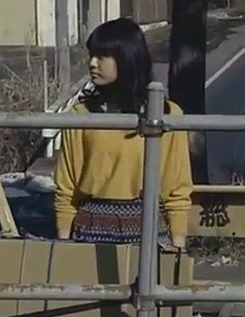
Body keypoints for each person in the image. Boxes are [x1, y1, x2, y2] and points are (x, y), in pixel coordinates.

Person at [54, 17, 193, 247]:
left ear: (126, 58)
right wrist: (64, 240)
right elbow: (67, 187)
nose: (92, 63)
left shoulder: (166, 114)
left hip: (147, 225)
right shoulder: (82, 114)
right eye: (92, 55)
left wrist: (177, 245)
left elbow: (177, 187)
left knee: (149, 273)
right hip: (91, 226)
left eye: (102, 56)